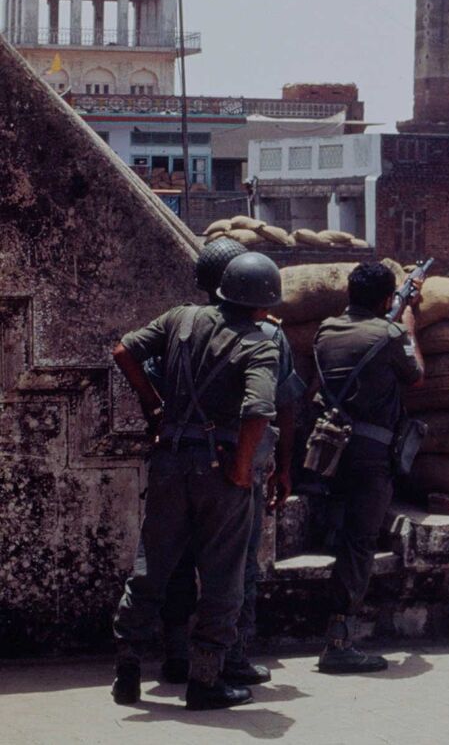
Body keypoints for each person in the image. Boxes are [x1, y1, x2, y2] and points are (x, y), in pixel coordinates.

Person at [111, 250, 282, 710]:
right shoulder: (259, 343)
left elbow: (124, 349)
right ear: (263, 304)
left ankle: (127, 668)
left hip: (169, 461)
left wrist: (152, 405)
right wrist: (243, 468)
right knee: (223, 579)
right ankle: (205, 682)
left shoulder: (180, 319)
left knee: (152, 568)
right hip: (220, 471)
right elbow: (259, 409)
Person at [159, 238, 305, 688]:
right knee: (238, 565)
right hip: (237, 467)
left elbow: (149, 379)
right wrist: (282, 468)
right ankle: (232, 658)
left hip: (177, 460)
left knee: (176, 560)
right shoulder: (267, 335)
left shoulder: (180, 325)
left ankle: (177, 657)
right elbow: (281, 406)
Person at [312, 261, 425, 673]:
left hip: (329, 450)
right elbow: (415, 378)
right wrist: (407, 317)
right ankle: (338, 641)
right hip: (369, 455)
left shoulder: (325, 328)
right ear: (385, 299)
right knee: (359, 542)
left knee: (343, 533)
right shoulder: (391, 333)